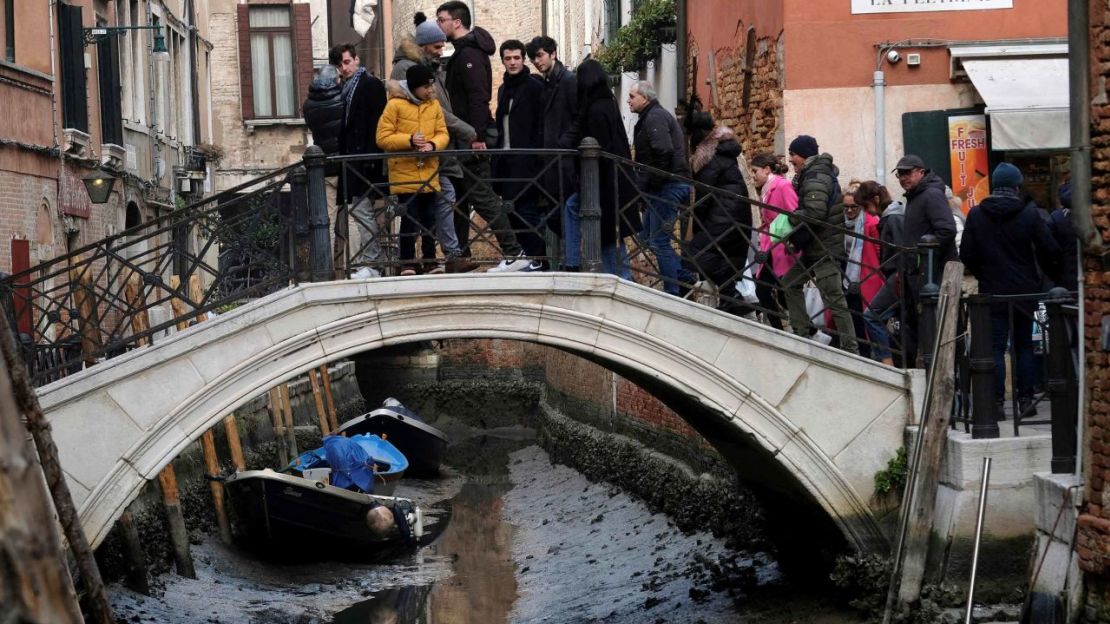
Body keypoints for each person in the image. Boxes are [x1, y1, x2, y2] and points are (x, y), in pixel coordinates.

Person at [960, 163, 1060, 419]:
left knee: (995, 347)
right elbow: (1049, 249)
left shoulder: (977, 214)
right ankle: (1026, 400)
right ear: (1017, 186)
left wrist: (984, 274)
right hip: (1024, 291)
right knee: (1023, 346)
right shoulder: (1028, 213)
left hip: (993, 290)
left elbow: (967, 253)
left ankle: (996, 404)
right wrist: (1042, 277)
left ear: (994, 185)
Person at [436, 1, 529, 272]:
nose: (439, 24)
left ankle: (515, 253)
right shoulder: (464, 52)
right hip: (463, 136)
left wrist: (475, 135)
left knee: (482, 197)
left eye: (442, 19)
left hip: (470, 137)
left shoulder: (470, 55)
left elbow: (478, 98)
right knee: (463, 199)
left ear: (456, 22)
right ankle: (459, 256)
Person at [390, 13, 478, 273]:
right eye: (438, 46)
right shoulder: (406, 74)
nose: (442, 50)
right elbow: (386, 133)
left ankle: (437, 258)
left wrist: (437, 143)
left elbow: (439, 121)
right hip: (412, 159)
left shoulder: (429, 71)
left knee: (433, 204)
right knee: (413, 210)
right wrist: (468, 132)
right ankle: (415, 260)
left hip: (432, 155)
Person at [779, 135, 858, 353]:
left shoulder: (815, 175)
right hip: (816, 246)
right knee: (789, 282)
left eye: (793, 154)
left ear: (803, 155)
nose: (790, 159)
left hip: (825, 248)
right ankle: (803, 332)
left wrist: (790, 218)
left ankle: (851, 349)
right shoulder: (814, 174)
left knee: (834, 297)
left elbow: (816, 211)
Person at [562, 59, 642, 277]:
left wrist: (586, 181)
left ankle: (575, 262)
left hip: (604, 183)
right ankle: (615, 277)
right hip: (610, 182)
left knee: (606, 233)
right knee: (609, 235)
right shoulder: (606, 102)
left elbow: (599, 148)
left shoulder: (597, 109)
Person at [376, 64, 449, 275]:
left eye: (431, 86)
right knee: (409, 217)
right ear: (415, 87)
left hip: (428, 170)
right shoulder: (394, 105)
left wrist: (433, 145)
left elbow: (443, 133)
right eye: (426, 87)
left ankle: (430, 261)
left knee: (429, 218)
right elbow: (382, 137)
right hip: (404, 173)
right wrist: (409, 140)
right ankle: (406, 262)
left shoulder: (433, 105)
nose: (430, 91)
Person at [892, 154, 957, 364]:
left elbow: (947, 230)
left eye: (907, 173)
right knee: (922, 330)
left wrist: (924, 254)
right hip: (919, 274)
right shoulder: (916, 195)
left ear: (921, 171)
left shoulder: (930, 195)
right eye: (900, 174)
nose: (903, 178)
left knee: (934, 331)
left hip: (932, 276)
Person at [628, 80, 691, 296]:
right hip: (664, 185)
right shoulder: (652, 117)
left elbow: (663, 152)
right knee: (647, 236)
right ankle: (683, 276)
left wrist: (650, 186)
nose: (628, 100)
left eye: (632, 96)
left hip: (668, 185)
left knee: (659, 240)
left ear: (645, 98)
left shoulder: (654, 117)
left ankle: (673, 292)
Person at [330, 43, 388, 280]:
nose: (343, 69)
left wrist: (371, 159)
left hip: (366, 162)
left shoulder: (370, 85)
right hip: (354, 163)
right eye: (339, 65)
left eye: (346, 62)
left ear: (356, 59)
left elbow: (377, 123)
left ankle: (374, 263)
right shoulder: (346, 89)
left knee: (362, 212)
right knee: (360, 211)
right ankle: (373, 262)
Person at [494, 39, 547, 270]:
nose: (513, 62)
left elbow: (541, 123)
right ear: (503, 61)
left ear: (523, 59)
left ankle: (540, 259)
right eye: (508, 58)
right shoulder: (503, 89)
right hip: (505, 160)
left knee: (527, 211)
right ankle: (528, 256)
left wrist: (536, 156)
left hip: (527, 160)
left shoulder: (535, 86)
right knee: (510, 209)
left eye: (516, 58)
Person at [527, 36, 579, 269]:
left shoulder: (568, 81)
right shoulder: (547, 83)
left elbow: (579, 117)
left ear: (552, 54)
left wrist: (563, 143)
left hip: (564, 161)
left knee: (565, 213)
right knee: (555, 215)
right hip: (551, 163)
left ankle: (572, 264)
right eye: (533, 58)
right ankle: (565, 263)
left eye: (539, 55)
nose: (536, 61)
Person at [683, 124, 751, 293]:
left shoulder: (711, 159)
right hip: (735, 215)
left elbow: (703, 197)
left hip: (722, 215)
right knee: (722, 257)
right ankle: (732, 300)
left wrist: (697, 225)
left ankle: (733, 296)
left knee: (694, 253)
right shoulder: (727, 157)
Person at [858, 181, 904, 365]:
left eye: (866, 206)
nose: (867, 212)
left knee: (871, 315)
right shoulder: (893, 217)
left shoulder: (892, 219)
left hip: (898, 276)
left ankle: (886, 362)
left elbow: (901, 250)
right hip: (897, 275)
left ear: (876, 200)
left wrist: (899, 274)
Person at [751, 153, 798, 330]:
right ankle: (780, 330)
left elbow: (794, 212)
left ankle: (806, 330)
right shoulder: (767, 189)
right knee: (765, 290)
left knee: (782, 293)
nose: (753, 175)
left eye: (755, 171)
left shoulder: (783, 186)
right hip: (770, 247)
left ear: (767, 170)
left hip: (783, 248)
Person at [841, 183, 882, 357]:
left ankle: (869, 354)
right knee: (853, 316)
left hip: (867, 275)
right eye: (846, 207)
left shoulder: (870, 223)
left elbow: (879, 250)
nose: (849, 211)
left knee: (865, 317)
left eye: (854, 207)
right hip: (848, 276)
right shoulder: (842, 224)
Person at [302, 65, 344, 158]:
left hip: (321, 154)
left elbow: (310, 126)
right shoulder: (343, 99)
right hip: (343, 153)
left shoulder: (308, 105)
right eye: (339, 77)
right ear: (335, 79)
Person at [1049, 179, 1078, 292]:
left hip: (1065, 277)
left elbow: (1048, 250)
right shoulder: (1092, 215)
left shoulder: (1056, 218)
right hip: (1093, 276)